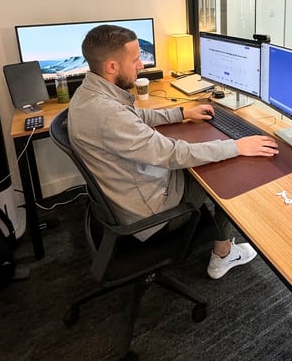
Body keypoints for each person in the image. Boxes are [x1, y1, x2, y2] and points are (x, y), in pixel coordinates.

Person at [68, 24, 279, 280]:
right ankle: (223, 253)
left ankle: (222, 246)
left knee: (212, 156)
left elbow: (134, 116)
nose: (141, 66)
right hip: (152, 213)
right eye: (135, 60)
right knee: (224, 174)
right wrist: (238, 146)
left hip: (126, 194)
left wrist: (180, 113)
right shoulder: (107, 114)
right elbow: (172, 154)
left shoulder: (89, 92)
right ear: (112, 67)